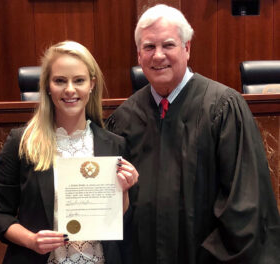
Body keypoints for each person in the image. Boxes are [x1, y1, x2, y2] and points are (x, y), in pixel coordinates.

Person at [106, 4, 280, 264]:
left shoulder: (223, 109)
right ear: (139, 55)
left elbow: (246, 205)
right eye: (149, 47)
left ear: (187, 48)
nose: (158, 56)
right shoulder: (124, 119)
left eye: (168, 45)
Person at [0, 40, 138, 264]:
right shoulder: (22, 143)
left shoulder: (115, 145)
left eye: (79, 80)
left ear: (91, 84)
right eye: (60, 80)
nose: (70, 89)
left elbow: (122, 223)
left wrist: (124, 191)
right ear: (48, 86)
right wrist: (31, 240)